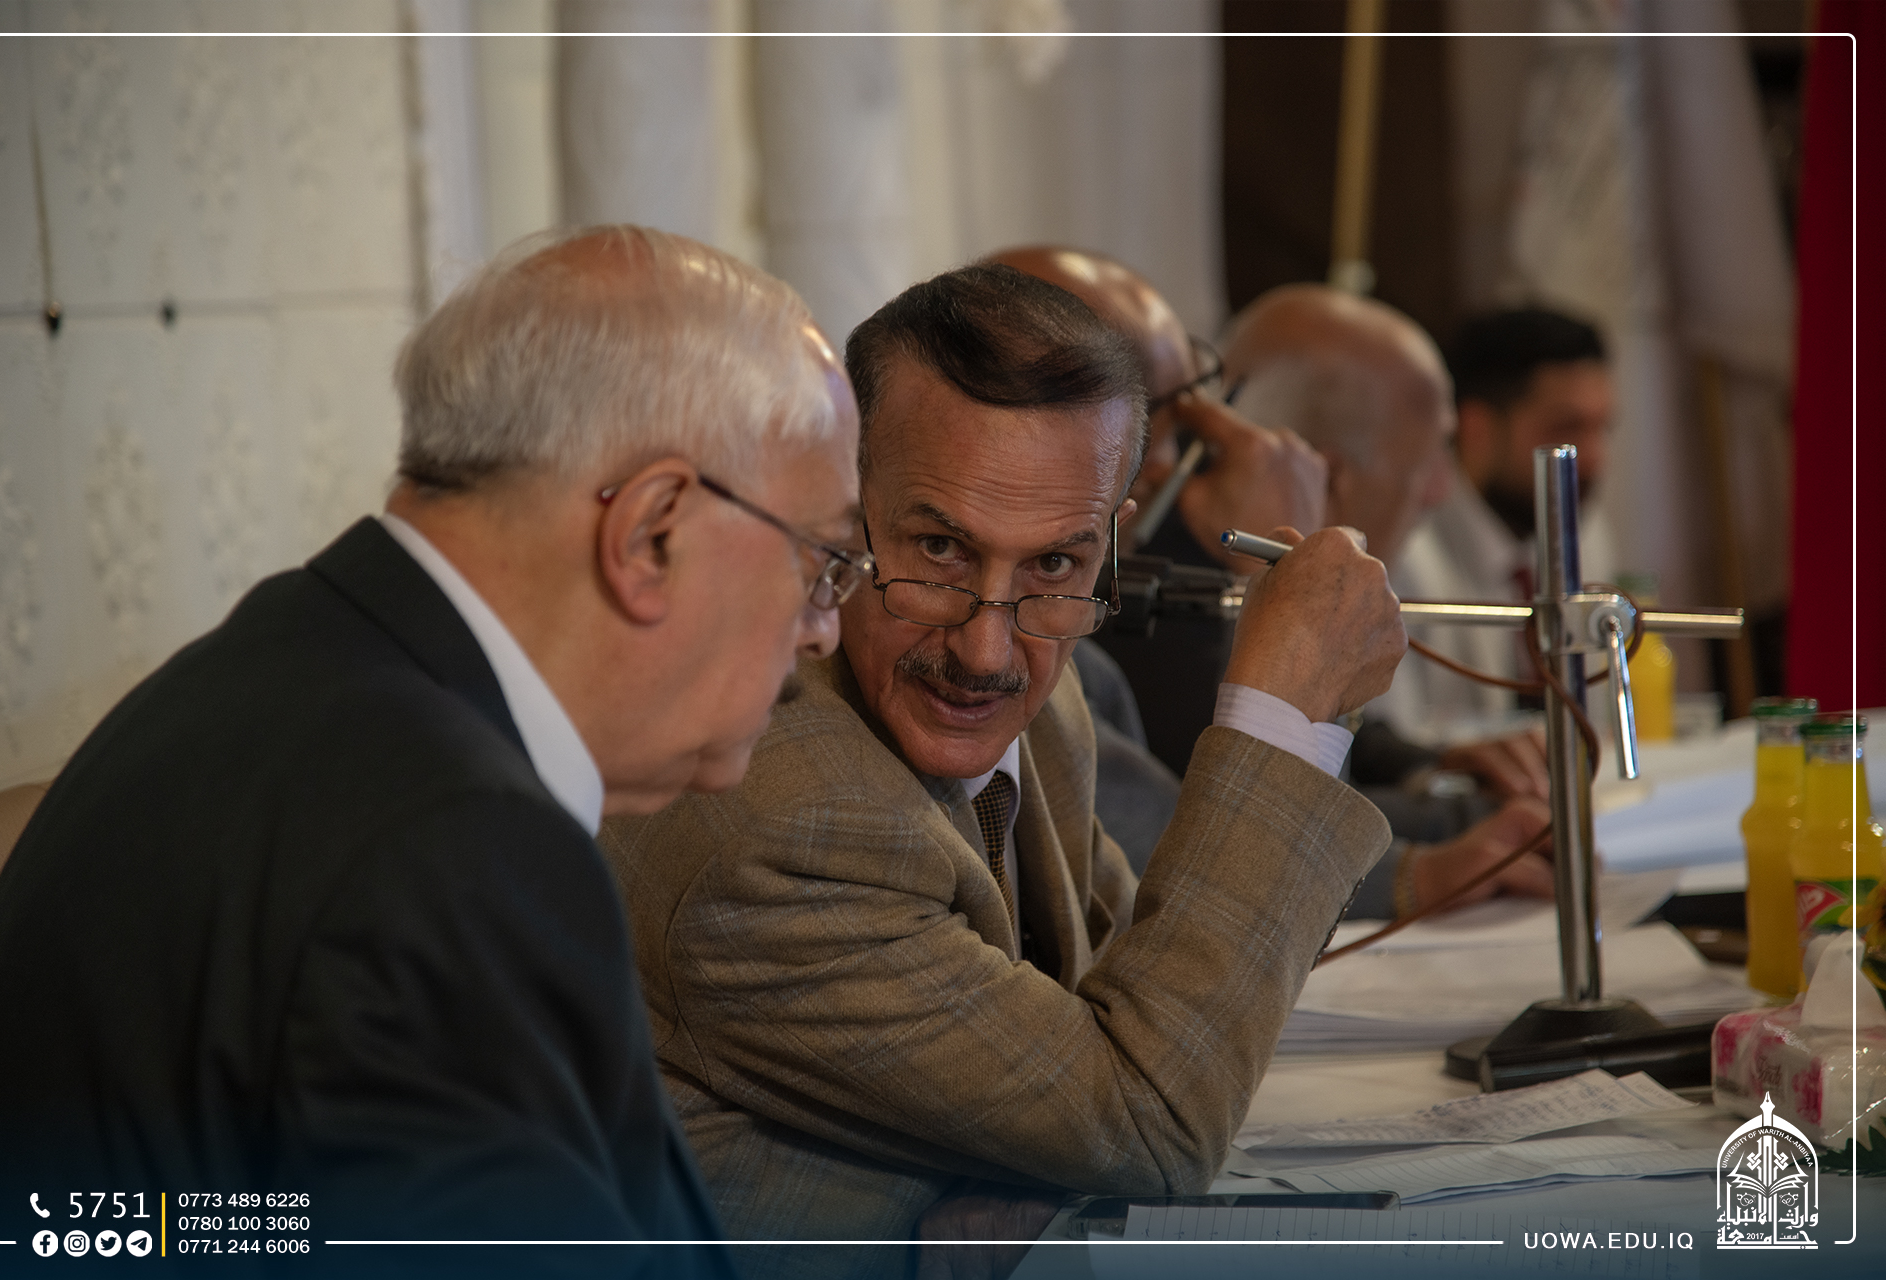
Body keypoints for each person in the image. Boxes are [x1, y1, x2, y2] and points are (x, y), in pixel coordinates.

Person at [0, 226, 865, 1275]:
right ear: (650, 533)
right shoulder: (455, 847)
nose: (824, 628)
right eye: (823, 559)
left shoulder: (283, 666)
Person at [599, 263, 1404, 1279]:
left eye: (1054, 563)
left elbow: (1146, 1011)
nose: (985, 652)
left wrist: (1053, 1164)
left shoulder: (1049, 704)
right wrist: (1282, 721)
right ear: (843, 510)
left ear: (1111, 543)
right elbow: (1152, 1118)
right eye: (939, 548)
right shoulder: (785, 820)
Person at [986, 246, 1329, 867]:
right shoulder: (1026, 639)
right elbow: (1213, 865)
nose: (1171, 464)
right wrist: (1287, 588)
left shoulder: (1089, 657)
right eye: (1161, 423)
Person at [1222, 285, 1557, 915]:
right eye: (1428, 460)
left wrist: (1437, 768)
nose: (1439, 492)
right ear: (1328, 473)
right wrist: (1426, 865)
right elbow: (1220, 836)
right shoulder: (1197, 607)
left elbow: (1345, 749)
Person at [1374, 306, 1616, 741]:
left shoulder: (1585, 529)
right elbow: (1392, 745)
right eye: (1566, 428)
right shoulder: (1402, 555)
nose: (1594, 458)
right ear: (1477, 427)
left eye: (1602, 428)